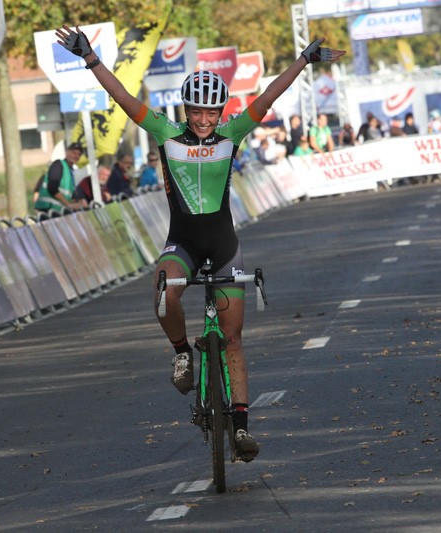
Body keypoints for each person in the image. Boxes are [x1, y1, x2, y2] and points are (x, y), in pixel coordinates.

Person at [55, 23, 345, 461]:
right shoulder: (165, 134)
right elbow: (124, 100)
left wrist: (304, 61)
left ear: (221, 112)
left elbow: (267, 98)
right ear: (186, 110)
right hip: (184, 243)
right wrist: (91, 59)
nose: (204, 121)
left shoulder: (232, 134)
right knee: (161, 288)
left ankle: (242, 428)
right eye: (196, 112)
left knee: (232, 340)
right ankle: (182, 354)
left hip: (225, 246)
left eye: (211, 113)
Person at [34, 142, 87, 213]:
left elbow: (69, 194)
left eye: (79, 154)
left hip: (58, 211)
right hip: (48, 210)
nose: (76, 156)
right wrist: (69, 204)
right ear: (67, 152)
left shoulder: (70, 172)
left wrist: (78, 202)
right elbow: (52, 187)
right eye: (74, 153)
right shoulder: (58, 164)